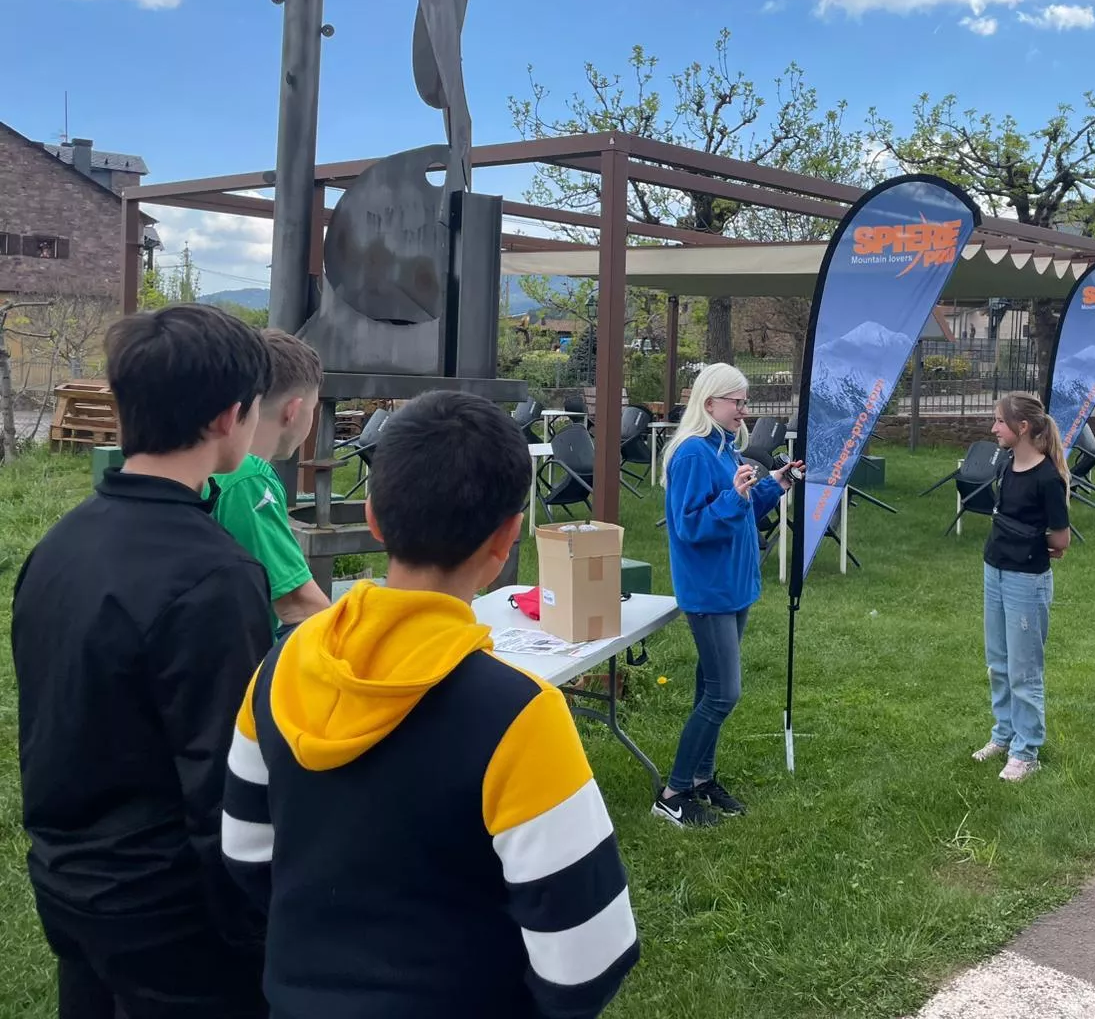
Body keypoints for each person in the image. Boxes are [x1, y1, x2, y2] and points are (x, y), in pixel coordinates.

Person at [221, 391, 639, 1017]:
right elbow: (590, 956)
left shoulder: (279, 669)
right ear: (507, 538)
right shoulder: (521, 716)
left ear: (375, 518)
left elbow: (245, 853)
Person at [12, 304, 273, 1018]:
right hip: (173, 918)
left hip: (68, 885)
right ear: (229, 417)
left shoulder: (57, 548)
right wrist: (259, 928)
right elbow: (228, 783)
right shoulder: (216, 575)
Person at [654, 363, 801, 828]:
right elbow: (690, 526)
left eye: (744, 401)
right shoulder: (694, 455)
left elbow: (738, 510)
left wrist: (773, 484)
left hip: (735, 586)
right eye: (737, 401)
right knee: (723, 694)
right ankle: (673, 793)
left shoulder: (723, 449)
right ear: (710, 402)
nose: (745, 410)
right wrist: (735, 499)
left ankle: (702, 778)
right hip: (710, 591)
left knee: (709, 687)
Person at [970, 391, 1071, 783]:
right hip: (994, 570)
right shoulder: (1006, 466)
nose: (994, 428)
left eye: (999, 421)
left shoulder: (1047, 477)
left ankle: (1026, 751)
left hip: (1025, 581)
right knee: (998, 662)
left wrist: (1031, 545)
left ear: (1022, 427)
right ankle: (1004, 734)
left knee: (1024, 670)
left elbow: (1061, 540)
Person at [209, 328, 329, 639]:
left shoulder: (209, 460)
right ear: (293, 410)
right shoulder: (248, 476)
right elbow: (299, 605)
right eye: (312, 409)